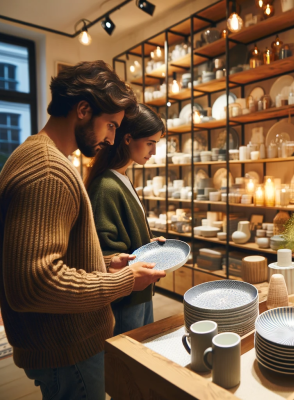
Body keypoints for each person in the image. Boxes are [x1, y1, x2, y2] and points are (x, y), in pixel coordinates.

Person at [0, 60, 165, 400]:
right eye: (110, 125)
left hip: (64, 345)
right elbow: (33, 284)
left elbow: (47, 261)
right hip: (68, 350)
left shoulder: (38, 156)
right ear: (84, 109)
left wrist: (106, 264)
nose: (112, 138)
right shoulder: (49, 170)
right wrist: (125, 280)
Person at [85, 104, 165, 336]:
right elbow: (105, 253)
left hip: (137, 293)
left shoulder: (121, 178)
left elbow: (124, 234)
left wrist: (149, 241)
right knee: (128, 365)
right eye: (150, 143)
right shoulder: (106, 186)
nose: (153, 152)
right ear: (128, 139)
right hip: (124, 298)